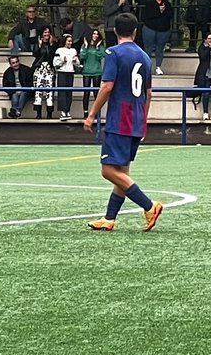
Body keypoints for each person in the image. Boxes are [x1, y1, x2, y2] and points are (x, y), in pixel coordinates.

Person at [83, 13, 163, 232]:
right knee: (122, 172)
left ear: (115, 31)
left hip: (120, 118)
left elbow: (107, 86)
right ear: (135, 32)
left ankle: (149, 205)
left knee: (108, 171)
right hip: (137, 118)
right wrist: (143, 120)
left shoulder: (113, 53)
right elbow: (149, 93)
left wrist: (91, 115)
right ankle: (109, 218)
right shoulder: (145, 57)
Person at [140, 0, 173, 75]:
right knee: (148, 49)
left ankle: (158, 67)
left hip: (163, 30)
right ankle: (147, 68)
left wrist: (163, 12)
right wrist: (159, 11)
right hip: (150, 29)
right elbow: (145, 16)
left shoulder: (167, 4)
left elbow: (170, 15)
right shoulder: (149, 4)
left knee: (160, 49)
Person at [53, 33, 81, 121]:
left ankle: (67, 110)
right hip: (62, 73)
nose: (70, 43)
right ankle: (62, 112)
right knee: (62, 92)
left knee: (69, 92)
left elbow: (78, 64)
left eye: (71, 41)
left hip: (70, 72)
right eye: (68, 41)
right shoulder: (59, 50)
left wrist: (75, 61)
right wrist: (62, 62)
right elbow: (55, 63)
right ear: (65, 41)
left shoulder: (74, 51)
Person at [31, 29, 57, 119]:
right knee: (38, 92)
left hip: (49, 70)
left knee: (49, 92)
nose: (47, 34)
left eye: (48, 32)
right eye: (45, 32)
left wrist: (50, 45)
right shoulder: (38, 44)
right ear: (41, 34)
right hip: (39, 70)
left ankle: (49, 114)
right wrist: (38, 45)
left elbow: (52, 56)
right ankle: (38, 114)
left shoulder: (52, 44)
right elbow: (35, 54)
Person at [79, 29, 107, 115]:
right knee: (86, 92)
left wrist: (97, 48)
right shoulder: (85, 45)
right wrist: (86, 47)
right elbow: (82, 56)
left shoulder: (101, 46)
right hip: (87, 71)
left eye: (97, 34)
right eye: (94, 34)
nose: (95, 35)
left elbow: (101, 56)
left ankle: (96, 112)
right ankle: (85, 112)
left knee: (96, 93)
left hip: (97, 72)